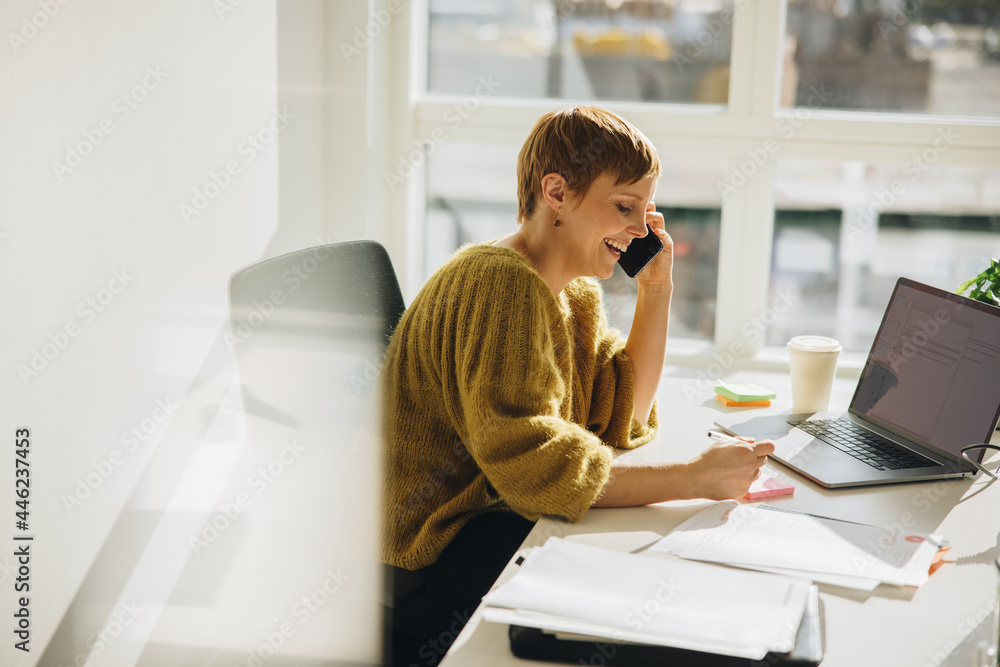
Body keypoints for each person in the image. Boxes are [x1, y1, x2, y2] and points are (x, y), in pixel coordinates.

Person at [380, 106, 774, 666]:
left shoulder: (569, 293)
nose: (642, 229)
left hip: (495, 521)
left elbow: (620, 413)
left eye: (646, 209)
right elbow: (536, 467)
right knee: (640, 608)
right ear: (557, 192)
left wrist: (656, 290)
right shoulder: (499, 285)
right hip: (432, 555)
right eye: (624, 207)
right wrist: (692, 478)